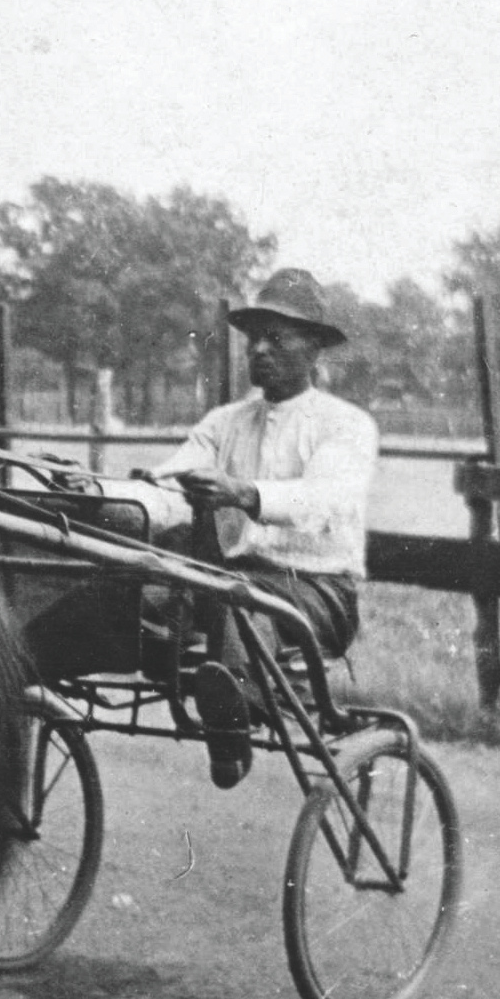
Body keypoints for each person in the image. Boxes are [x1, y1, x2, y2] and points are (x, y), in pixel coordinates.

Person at [138, 269, 378, 790]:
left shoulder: (346, 425)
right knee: (143, 584)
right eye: (254, 339)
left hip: (320, 591)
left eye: (277, 337)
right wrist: (119, 492)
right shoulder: (226, 422)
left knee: (237, 597)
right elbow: (172, 476)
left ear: (314, 348)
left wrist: (244, 493)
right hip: (239, 584)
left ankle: (232, 724)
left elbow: (323, 501)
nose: (259, 350)